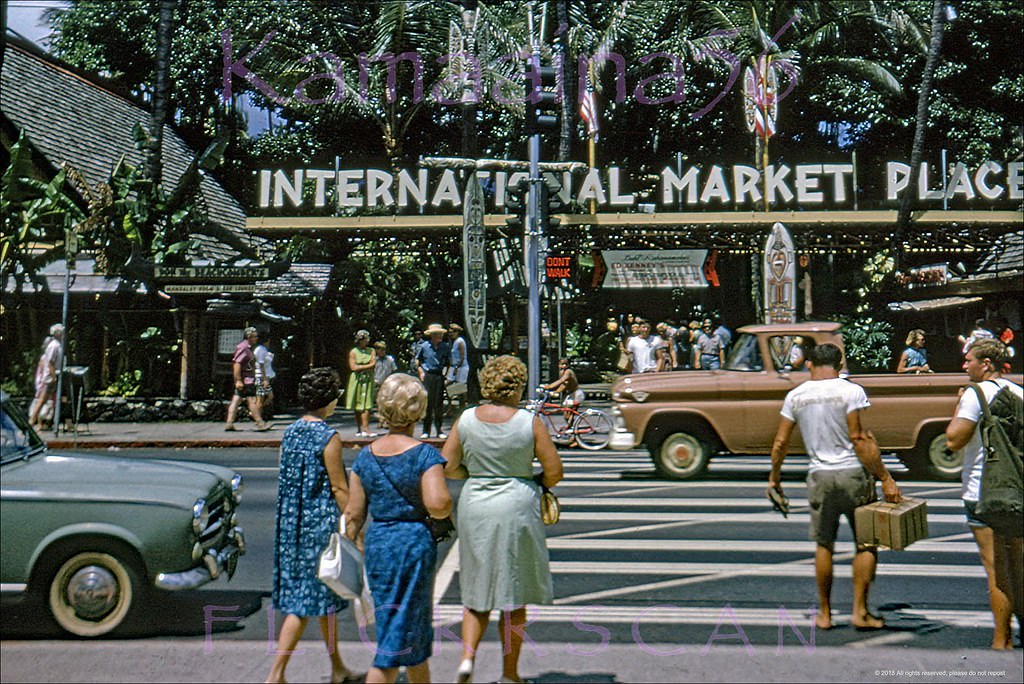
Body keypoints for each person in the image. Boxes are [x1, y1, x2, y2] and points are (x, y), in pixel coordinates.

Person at [442, 355, 563, 684]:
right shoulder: (529, 422)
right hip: (516, 506)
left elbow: (448, 464)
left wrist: (474, 474)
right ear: (517, 386)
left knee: (477, 590)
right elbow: (554, 471)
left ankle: (467, 659)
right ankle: (510, 675)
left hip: (476, 503)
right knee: (513, 594)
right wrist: (534, 483)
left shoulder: (466, 419)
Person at [767, 343, 902, 631]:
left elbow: (780, 442)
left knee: (824, 544)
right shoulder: (851, 391)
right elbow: (858, 437)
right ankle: (860, 612)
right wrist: (885, 477)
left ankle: (825, 614)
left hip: (820, 477)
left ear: (809, 365)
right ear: (839, 365)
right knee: (866, 543)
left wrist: (774, 478)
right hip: (853, 473)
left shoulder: (796, 396)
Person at [344, 374, 452, 683]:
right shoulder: (424, 455)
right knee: (397, 638)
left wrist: (357, 544)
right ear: (418, 410)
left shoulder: (366, 457)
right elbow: (438, 503)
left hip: (380, 542)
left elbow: (354, 513)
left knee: (407, 628)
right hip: (412, 543)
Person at [266, 368, 361, 684]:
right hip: (317, 528)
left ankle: (338, 667)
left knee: (323, 600)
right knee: (304, 604)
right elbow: (339, 488)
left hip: (291, 525)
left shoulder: (291, 431)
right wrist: (353, 527)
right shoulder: (328, 437)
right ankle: (275, 674)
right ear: (330, 400)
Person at [945, 339, 1024, 650]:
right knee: (1018, 564)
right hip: (1016, 489)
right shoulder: (1019, 392)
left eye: (969, 361)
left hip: (982, 490)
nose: (965, 366)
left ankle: (1000, 641)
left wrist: (957, 405)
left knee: (995, 569)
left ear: (986, 364)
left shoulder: (974, 395)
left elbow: (954, 440)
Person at [225, 327, 269, 432]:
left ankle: (229, 422)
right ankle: (260, 422)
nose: (256, 338)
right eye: (254, 336)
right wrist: (238, 380)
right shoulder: (243, 348)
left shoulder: (248, 348)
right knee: (252, 400)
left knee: (236, 400)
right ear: (249, 336)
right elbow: (237, 364)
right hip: (246, 379)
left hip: (247, 378)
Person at [414, 323, 451, 439]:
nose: (440, 336)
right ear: (432, 335)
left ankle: (439, 430)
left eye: (440, 334)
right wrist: (421, 372)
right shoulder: (425, 346)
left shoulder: (445, 346)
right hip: (428, 375)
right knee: (427, 404)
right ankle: (426, 430)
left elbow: (449, 362)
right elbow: (418, 361)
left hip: (439, 375)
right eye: (437, 334)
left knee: (438, 404)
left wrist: (446, 374)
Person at [28, 323, 63, 432]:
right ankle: (31, 421)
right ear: (57, 333)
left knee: (45, 400)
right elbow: (50, 362)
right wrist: (53, 376)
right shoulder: (54, 345)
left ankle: (34, 421)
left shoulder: (57, 345)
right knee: (42, 400)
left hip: (52, 376)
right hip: (50, 377)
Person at [347, 329, 377, 438]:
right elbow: (353, 367)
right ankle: (359, 429)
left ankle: (366, 428)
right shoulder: (354, 351)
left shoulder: (371, 350)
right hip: (356, 379)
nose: (363, 341)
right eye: (361, 340)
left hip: (368, 378)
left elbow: (373, 363)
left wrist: (360, 366)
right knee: (357, 403)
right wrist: (365, 366)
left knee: (367, 404)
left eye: (365, 339)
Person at [373, 341, 398, 430]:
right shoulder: (374, 360)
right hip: (377, 383)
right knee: (378, 403)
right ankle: (381, 420)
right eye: (380, 349)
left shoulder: (390, 359)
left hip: (387, 383)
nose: (382, 351)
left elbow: (393, 370)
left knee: (387, 403)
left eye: (383, 349)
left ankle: (386, 421)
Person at [254, 336, 277, 419]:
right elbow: (261, 364)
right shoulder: (260, 350)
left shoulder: (264, 349)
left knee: (269, 396)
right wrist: (264, 379)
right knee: (260, 398)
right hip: (261, 377)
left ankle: (256, 413)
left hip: (266, 376)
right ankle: (257, 416)